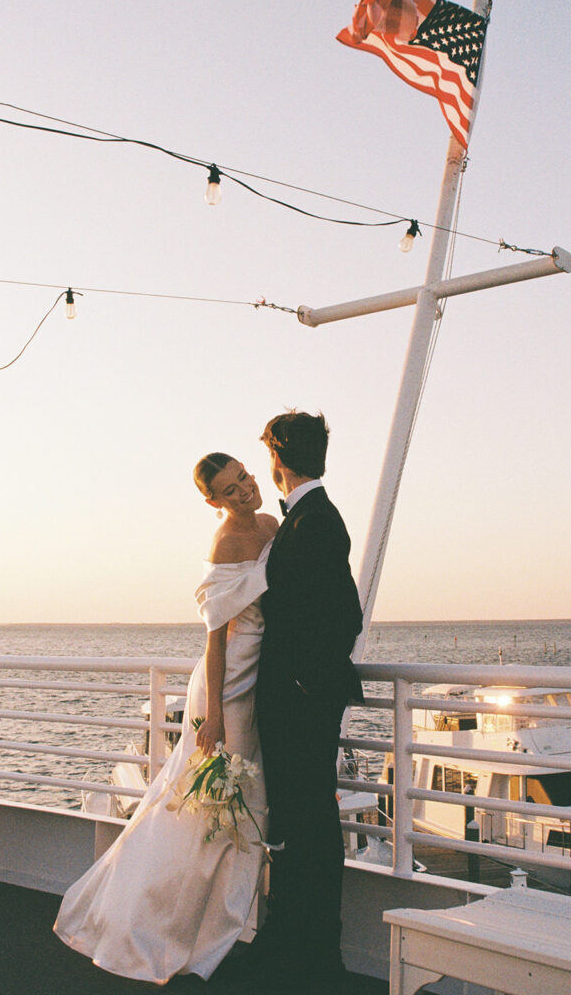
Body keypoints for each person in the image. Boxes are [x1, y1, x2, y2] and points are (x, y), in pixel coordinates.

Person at [53, 453, 278, 984]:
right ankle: (150, 927)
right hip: (227, 685)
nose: (245, 489)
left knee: (231, 811)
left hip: (262, 676)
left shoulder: (271, 525)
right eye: (230, 488)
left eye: (245, 477)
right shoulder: (224, 544)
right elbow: (215, 641)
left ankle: (211, 929)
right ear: (212, 502)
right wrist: (216, 716)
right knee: (203, 811)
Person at [253, 410, 363, 988]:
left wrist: (302, 685)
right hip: (294, 699)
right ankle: (291, 936)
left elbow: (345, 616)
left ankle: (319, 952)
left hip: (302, 701)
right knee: (295, 821)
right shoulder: (307, 518)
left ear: (277, 458)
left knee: (311, 824)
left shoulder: (316, 521)